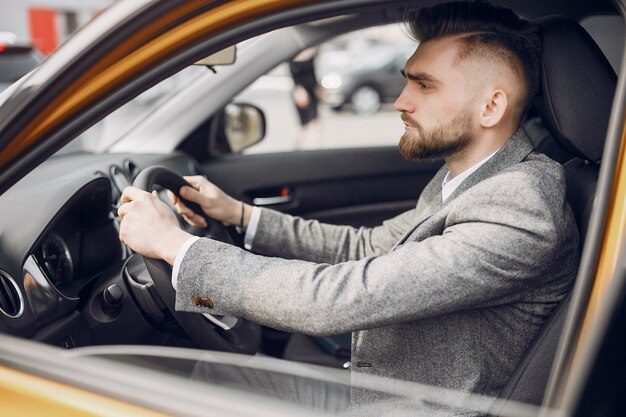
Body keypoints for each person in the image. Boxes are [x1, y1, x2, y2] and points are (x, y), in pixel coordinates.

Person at [118, 0, 579, 413]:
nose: (401, 101)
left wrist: (174, 245)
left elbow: (337, 300)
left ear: (491, 107)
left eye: (425, 85)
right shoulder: (469, 175)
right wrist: (238, 214)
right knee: (201, 377)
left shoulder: (521, 205)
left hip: (405, 407)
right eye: (406, 81)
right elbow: (369, 245)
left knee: (152, 392)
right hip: (377, 386)